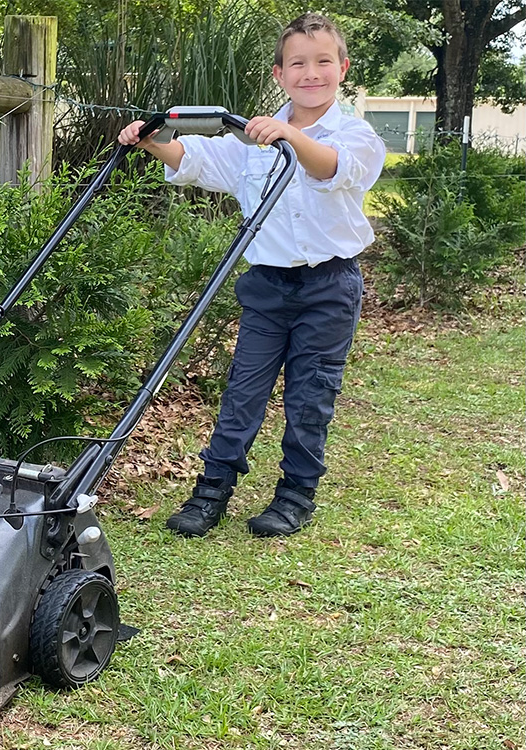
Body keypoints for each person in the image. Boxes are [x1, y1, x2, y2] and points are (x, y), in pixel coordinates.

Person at [118, 12, 386, 537]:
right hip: (266, 286)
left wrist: (287, 133)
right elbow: (192, 158)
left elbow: (331, 167)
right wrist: (148, 138)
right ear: (278, 74)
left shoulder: (356, 134)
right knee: (243, 390)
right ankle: (212, 489)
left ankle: (295, 495)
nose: (311, 73)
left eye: (323, 62)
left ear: (343, 68)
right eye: (298, 64)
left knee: (312, 394)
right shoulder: (250, 140)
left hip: (329, 286)